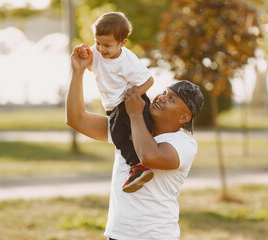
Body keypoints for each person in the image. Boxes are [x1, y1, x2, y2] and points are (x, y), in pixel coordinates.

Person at [66, 45, 204, 239]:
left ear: (184, 118)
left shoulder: (184, 143)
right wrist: (78, 73)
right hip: (117, 235)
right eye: (164, 92)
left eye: (171, 99)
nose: (161, 98)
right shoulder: (127, 127)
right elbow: (76, 119)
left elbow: (148, 156)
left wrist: (135, 113)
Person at [77, 12, 155, 192]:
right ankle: (139, 166)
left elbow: (149, 81)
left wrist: (132, 97)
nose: (101, 49)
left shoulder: (127, 61)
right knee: (119, 136)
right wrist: (84, 55)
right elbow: (91, 66)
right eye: (97, 43)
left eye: (107, 45)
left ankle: (138, 165)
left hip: (128, 103)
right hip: (113, 107)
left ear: (122, 43)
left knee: (118, 135)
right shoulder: (97, 51)